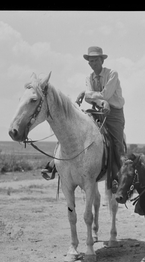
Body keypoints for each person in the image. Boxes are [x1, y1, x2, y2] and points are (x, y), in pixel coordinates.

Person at [42, 46, 126, 193]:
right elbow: (93, 98)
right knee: (74, 128)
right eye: (90, 61)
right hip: (96, 110)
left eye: (95, 60)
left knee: (116, 143)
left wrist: (86, 93)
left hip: (114, 114)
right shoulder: (89, 78)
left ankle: (116, 177)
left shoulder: (112, 74)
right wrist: (88, 95)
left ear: (102, 60)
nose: (92, 63)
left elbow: (106, 95)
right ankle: (55, 164)